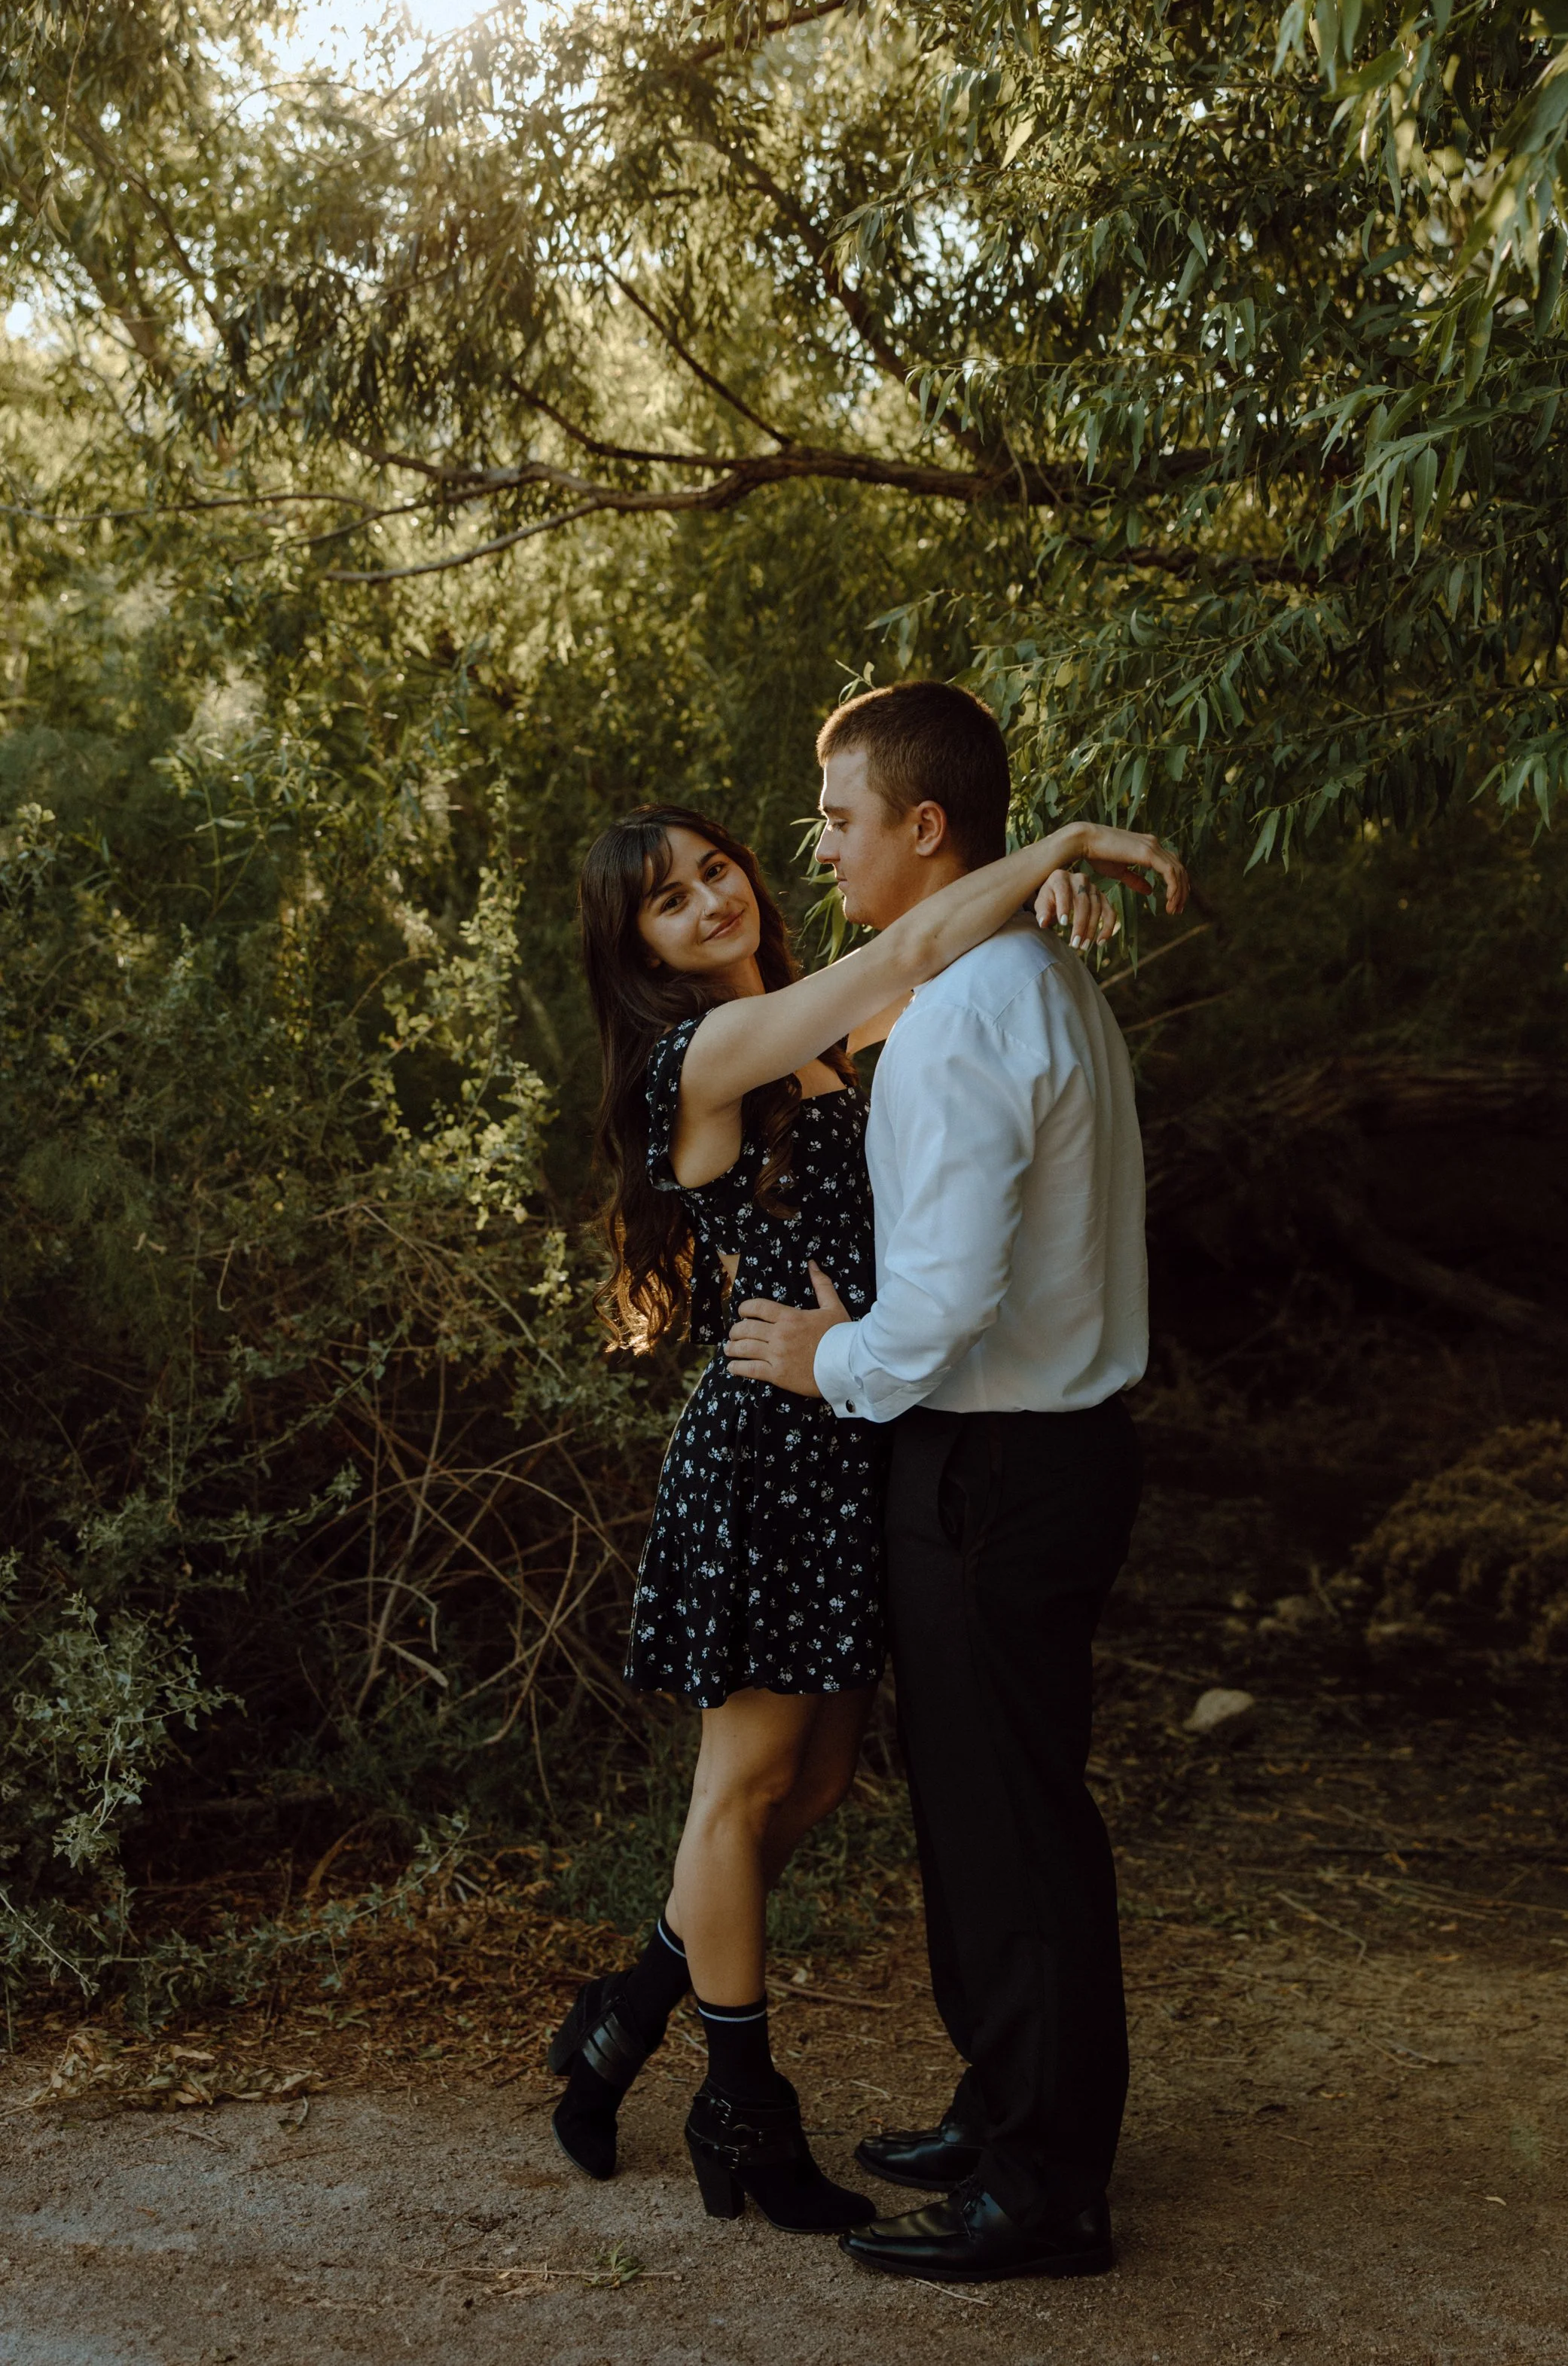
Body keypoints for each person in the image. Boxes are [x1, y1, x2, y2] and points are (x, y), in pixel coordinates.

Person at [551, 793, 1185, 2239]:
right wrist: (1063, 851)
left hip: (846, 1439)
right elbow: (913, 940)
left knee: (817, 1783)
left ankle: (621, 2018)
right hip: (770, 1448)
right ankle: (741, 2108)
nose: (713, 900)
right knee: (743, 1789)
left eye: (719, 869)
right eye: (670, 899)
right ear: (634, 944)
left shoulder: (827, 1039)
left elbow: (953, 985)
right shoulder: (705, 1051)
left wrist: (1029, 913)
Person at [726, 681, 1179, 2283]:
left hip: (994, 1459)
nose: (822, 846)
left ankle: (1046, 2186)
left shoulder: (978, 1014)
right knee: (988, 1806)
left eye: (840, 818)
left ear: (927, 830)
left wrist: (819, 1359)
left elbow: (937, 1310)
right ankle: (1005, 2104)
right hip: (1030, 1455)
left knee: (1011, 1818)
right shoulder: (1019, 971)